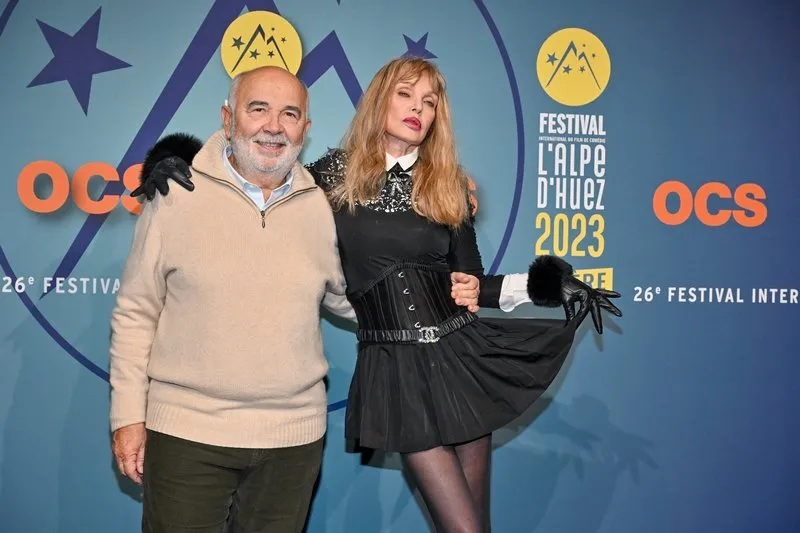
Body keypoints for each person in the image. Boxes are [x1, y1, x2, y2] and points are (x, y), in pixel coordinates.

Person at [134, 57, 622, 533]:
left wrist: (547, 286)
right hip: (396, 370)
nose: (418, 109)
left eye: (429, 102)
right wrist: (173, 162)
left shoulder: (448, 182)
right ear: (378, 101)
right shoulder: (329, 177)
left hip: (462, 360)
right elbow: (255, 171)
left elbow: (466, 288)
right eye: (405, 95)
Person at [109, 65, 482, 533]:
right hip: (188, 435)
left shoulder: (320, 200)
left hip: (294, 440)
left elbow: (355, 294)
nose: (273, 125)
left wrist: (443, 285)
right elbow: (136, 312)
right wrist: (127, 417)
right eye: (257, 109)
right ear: (228, 119)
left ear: (306, 128)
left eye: (290, 114)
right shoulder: (177, 193)